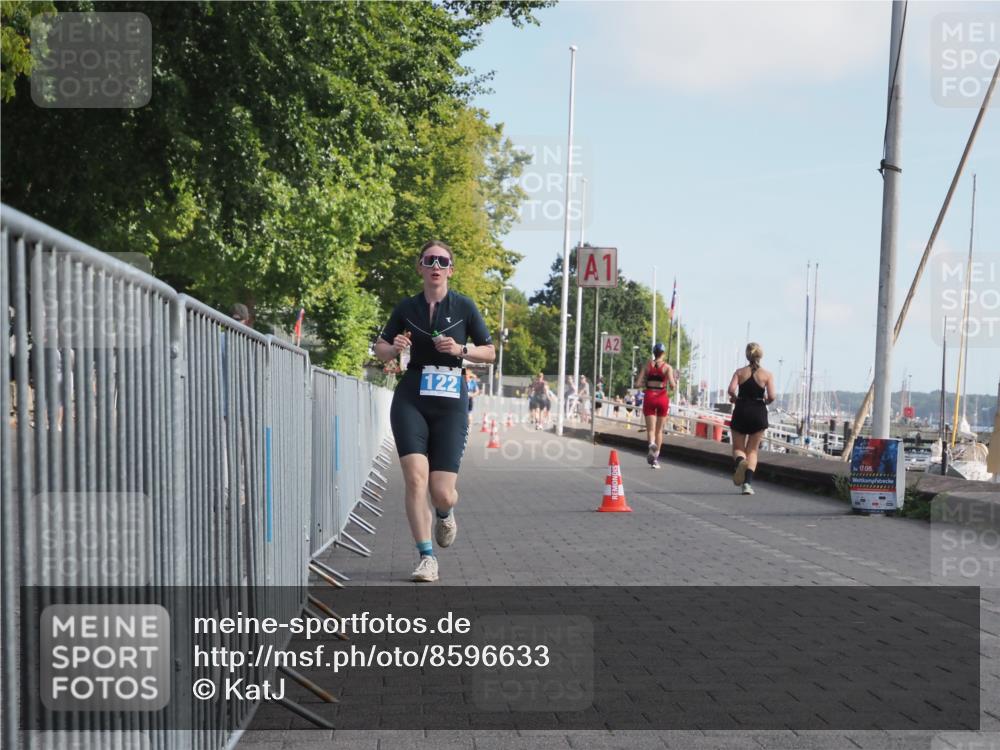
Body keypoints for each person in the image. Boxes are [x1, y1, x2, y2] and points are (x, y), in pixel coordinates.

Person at [374, 240, 495, 582]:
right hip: (412, 397)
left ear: (450, 270)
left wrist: (461, 349)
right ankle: (426, 558)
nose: (436, 266)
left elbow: (490, 352)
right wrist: (393, 347)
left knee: (441, 491)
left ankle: (445, 512)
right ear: (421, 267)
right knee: (415, 479)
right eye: (430, 260)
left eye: (443, 261)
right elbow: (381, 350)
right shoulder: (406, 307)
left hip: (450, 401)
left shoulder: (465, 307)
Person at [727, 342, 776, 495]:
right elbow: (772, 396)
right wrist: (766, 401)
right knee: (753, 451)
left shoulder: (739, 372)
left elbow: (730, 390)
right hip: (758, 412)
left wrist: (735, 398)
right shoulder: (767, 374)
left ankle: (741, 462)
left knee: (738, 448)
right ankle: (747, 485)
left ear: (747, 355)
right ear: (760, 356)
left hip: (741, 410)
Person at [636, 342, 676, 469]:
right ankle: (655, 458)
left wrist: (644, 385)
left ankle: (651, 444)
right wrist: (673, 381)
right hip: (662, 397)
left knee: (651, 430)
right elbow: (673, 385)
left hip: (649, 396)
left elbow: (637, 384)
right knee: (659, 430)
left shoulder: (647, 366)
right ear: (663, 353)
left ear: (654, 353)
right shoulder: (667, 367)